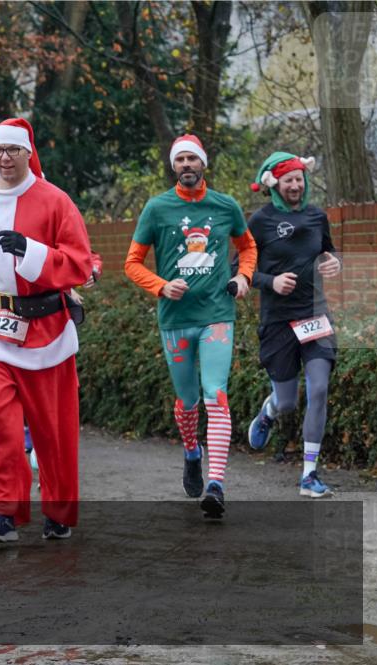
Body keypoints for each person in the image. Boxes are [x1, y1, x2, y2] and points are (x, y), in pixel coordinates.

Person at [0, 117, 92, 543]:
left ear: (29, 153)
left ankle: (59, 511)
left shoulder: (55, 200)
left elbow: (80, 263)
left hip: (46, 329)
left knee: (53, 431)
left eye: (13, 151)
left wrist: (32, 253)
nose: (5, 158)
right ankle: (3, 514)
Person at [125, 134, 257, 519]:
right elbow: (132, 263)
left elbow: (247, 247)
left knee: (216, 394)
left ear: (203, 164)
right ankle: (191, 452)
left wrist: (244, 277)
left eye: (191, 159)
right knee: (187, 401)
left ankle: (216, 484)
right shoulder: (157, 208)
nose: (186, 165)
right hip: (175, 321)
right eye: (179, 159)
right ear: (173, 166)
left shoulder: (225, 205)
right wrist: (162, 285)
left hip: (217, 316)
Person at [245, 152, 341, 498]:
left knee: (318, 389)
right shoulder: (259, 221)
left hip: (315, 315)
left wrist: (334, 263)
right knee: (288, 401)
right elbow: (238, 269)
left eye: (300, 179)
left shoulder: (317, 217)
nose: (296, 185)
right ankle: (269, 411)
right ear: (275, 184)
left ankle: (309, 475)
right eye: (289, 180)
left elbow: (329, 252)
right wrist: (270, 282)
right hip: (278, 322)